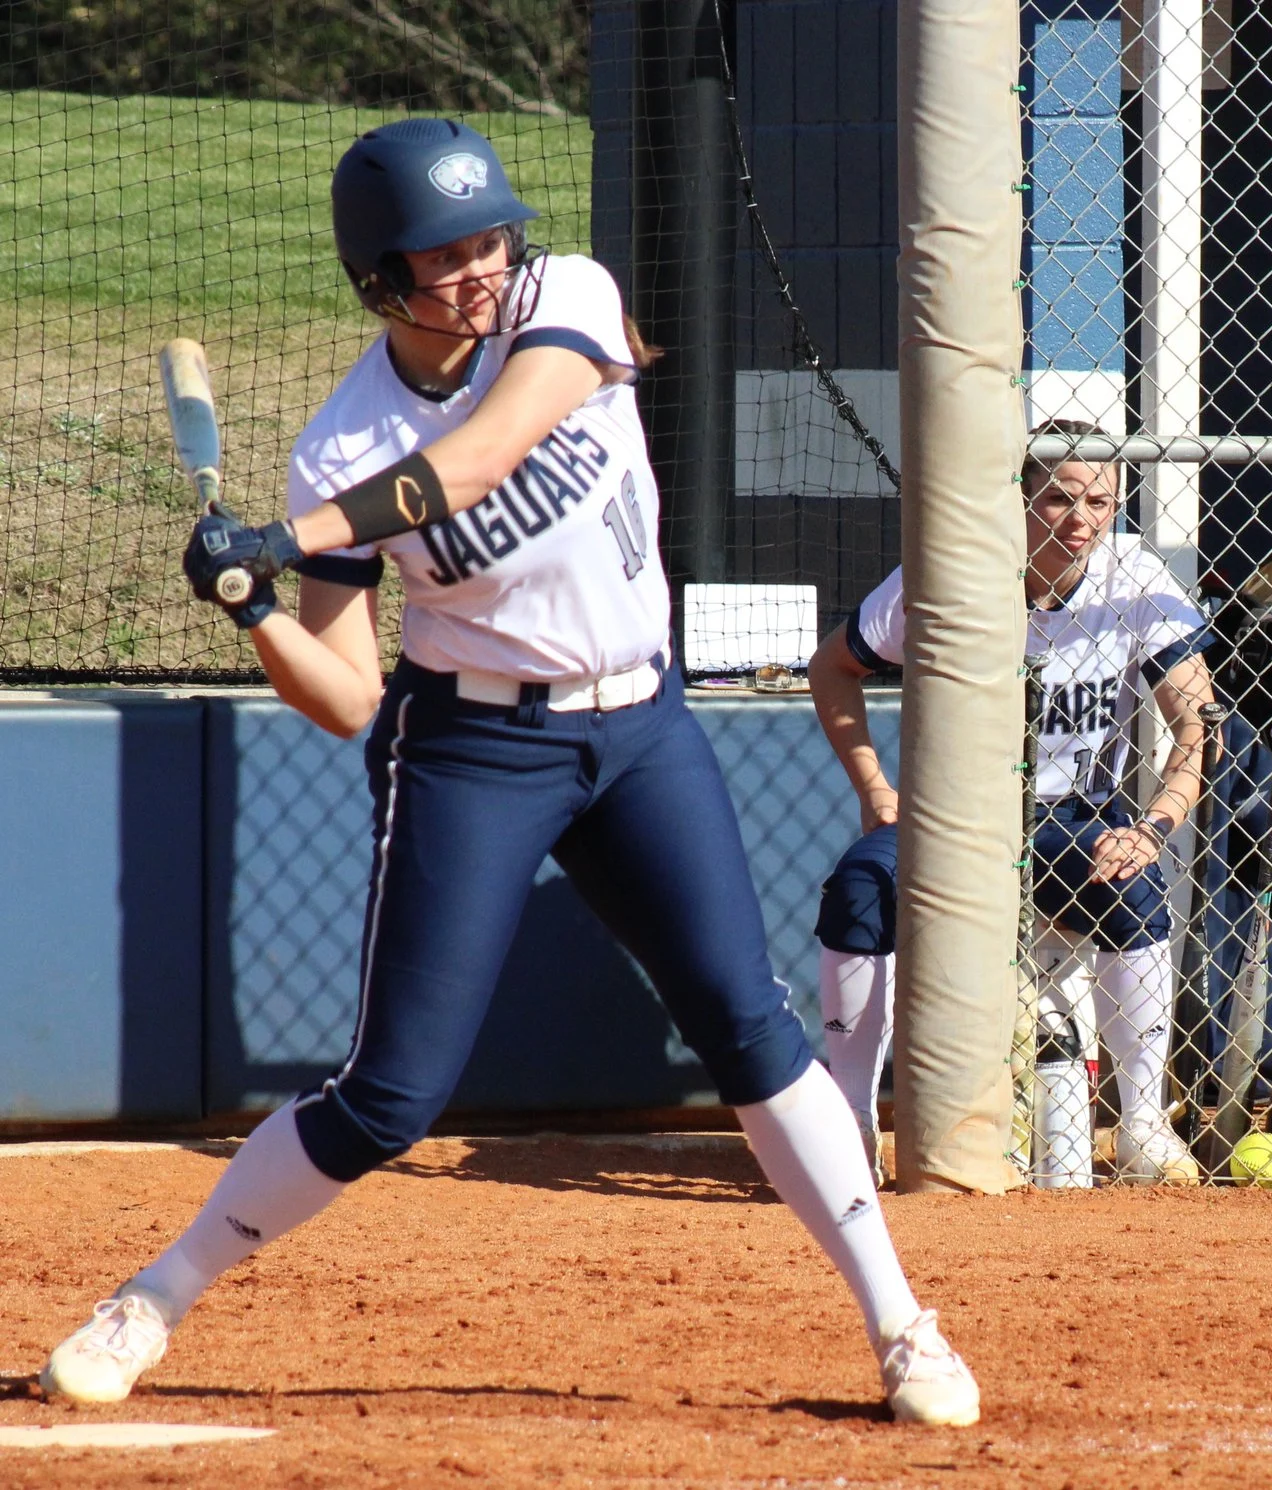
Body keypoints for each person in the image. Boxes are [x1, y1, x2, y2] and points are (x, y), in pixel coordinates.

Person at [36, 120, 978, 1424]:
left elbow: (478, 456)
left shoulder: (565, 296)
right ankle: (152, 1296)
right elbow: (347, 696)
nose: (481, 267)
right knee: (390, 1097)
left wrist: (287, 536)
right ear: (382, 280)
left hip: (642, 725)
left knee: (749, 1024)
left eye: (489, 238)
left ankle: (902, 1325)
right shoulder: (342, 445)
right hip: (475, 749)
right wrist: (251, 604)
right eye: (446, 254)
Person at [809, 421, 1216, 1186]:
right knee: (859, 886)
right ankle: (854, 1119)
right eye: (1059, 498)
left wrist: (1152, 828)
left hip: (1073, 816)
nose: (1081, 520)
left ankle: (1140, 1125)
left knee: (1133, 883)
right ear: (1019, 500)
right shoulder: (952, 569)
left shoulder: (1133, 575)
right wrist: (875, 789)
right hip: (951, 816)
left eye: (1100, 501)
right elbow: (831, 668)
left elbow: (1199, 723)